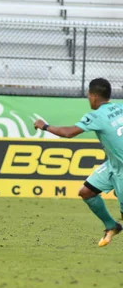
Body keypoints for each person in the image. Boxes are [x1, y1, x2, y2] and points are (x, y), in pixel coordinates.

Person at [34, 78, 123, 247]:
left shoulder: (97, 115)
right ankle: (112, 226)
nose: (88, 99)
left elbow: (68, 133)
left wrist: (44, 126)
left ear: (94, 96)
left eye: (89, 95)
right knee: (86, 192)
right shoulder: (120, 107)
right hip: (113, 164)